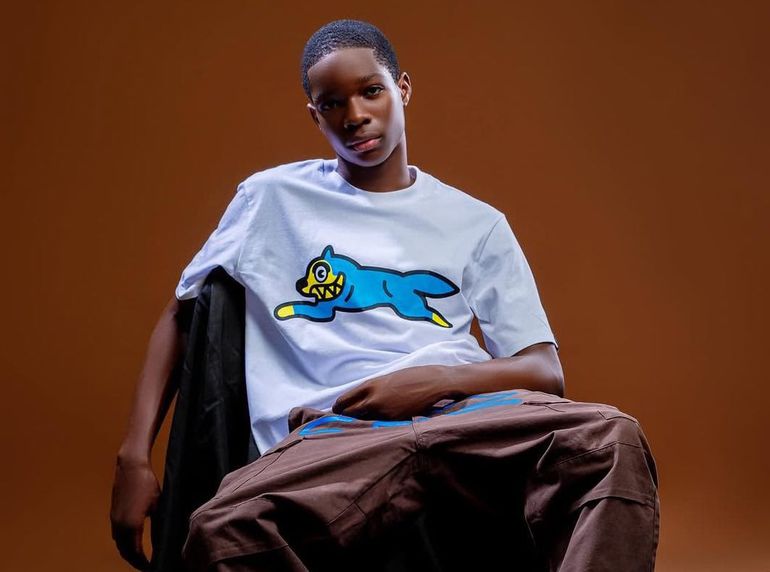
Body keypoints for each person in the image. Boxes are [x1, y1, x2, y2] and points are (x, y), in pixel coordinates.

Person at [111, 19, 659, 572]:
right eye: (332, 104)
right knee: (222, 530)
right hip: (336, 432)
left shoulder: (477, 222)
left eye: (371, 91)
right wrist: (133, 458)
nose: (354, 116)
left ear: (403, 88)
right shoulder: (270, 199)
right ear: (315, 115)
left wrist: (436, 381)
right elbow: (181, 316)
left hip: (463, 416)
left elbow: (543, 370)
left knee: (611, 442)